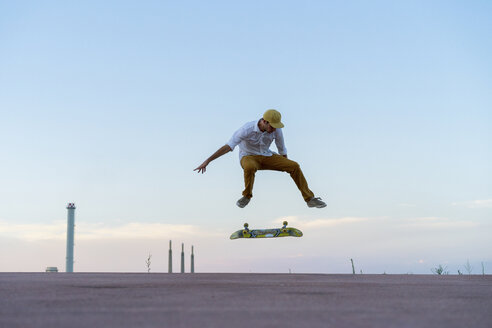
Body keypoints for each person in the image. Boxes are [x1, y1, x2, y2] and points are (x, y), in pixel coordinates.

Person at [194, 109, 326, 209]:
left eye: (275, 127)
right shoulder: (246, 129)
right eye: (272, 126)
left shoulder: (276, 130)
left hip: (267, 155)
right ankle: (246, 196)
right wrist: (207, 161)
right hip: (248, 156)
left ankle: (310, 199)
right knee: (250, 167)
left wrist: (286, 164)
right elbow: (228, 146)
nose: (274, 129)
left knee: (295, 166)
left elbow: (282, 149)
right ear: (264, 121)